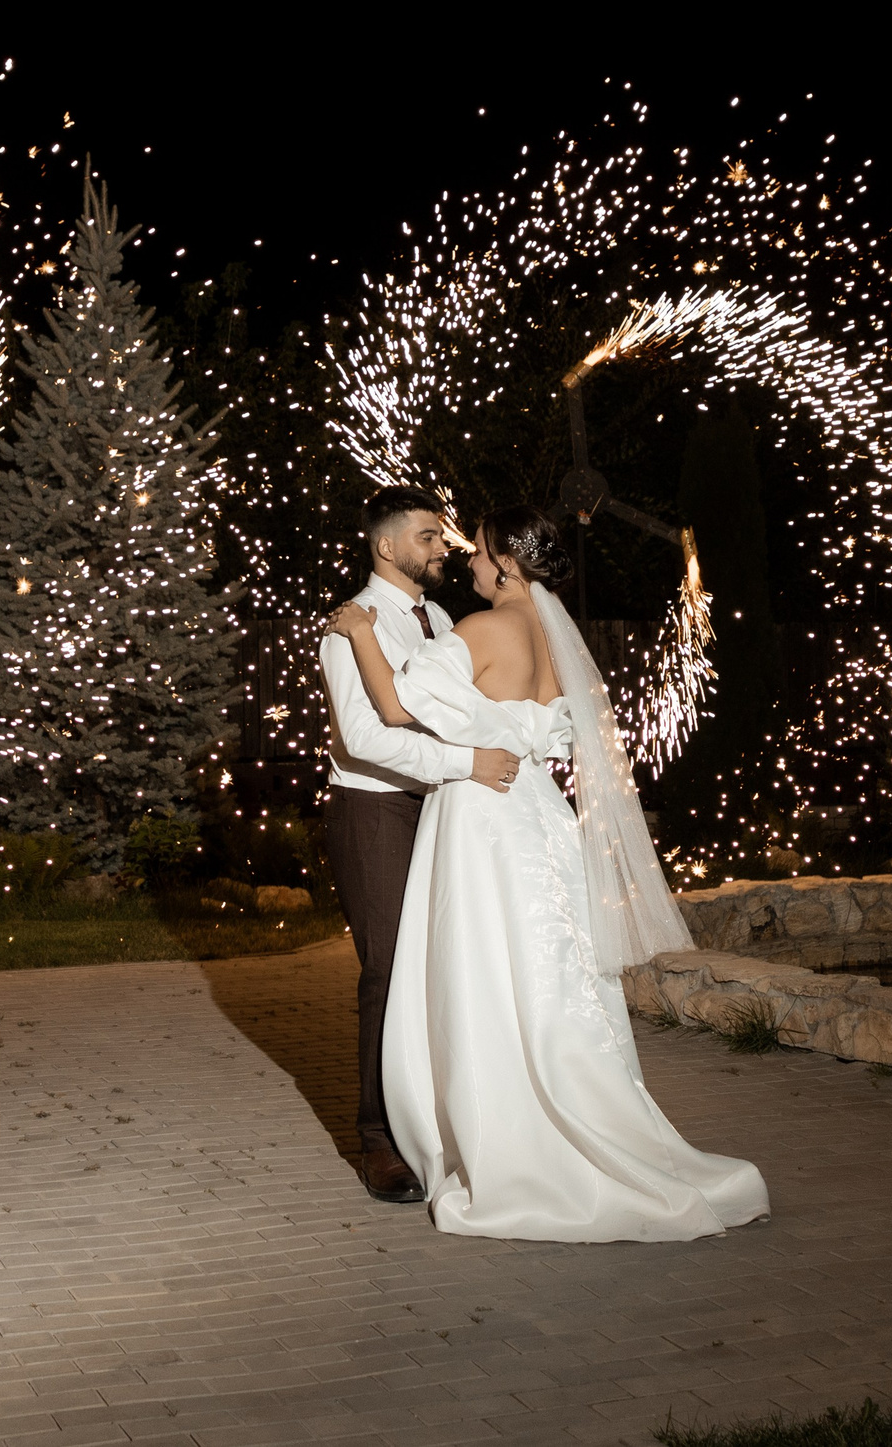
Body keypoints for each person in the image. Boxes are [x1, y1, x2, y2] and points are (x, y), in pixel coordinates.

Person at [324, 505, 770, 1242]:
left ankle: (502, 1126)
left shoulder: (478, 626)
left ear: (506, 563)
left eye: (477, 549)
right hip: (537, 812)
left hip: (481, 812)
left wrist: (364, 635)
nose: (464, 557)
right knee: (548, 968)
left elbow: (397, 706)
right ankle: (573, 1105)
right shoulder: (558, 637)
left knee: (480, 970)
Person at [317, 486, 523, 1204]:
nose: (443, 548)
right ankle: (378, 1141)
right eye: (428, 537)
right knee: (386, 971)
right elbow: (362, 739)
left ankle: (434, 1121)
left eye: (442, 537)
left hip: (443, 808)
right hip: (374, 810)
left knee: (438, 967)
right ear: (386, 546)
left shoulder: (441, 619)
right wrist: (465, 763)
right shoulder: (349, 626)